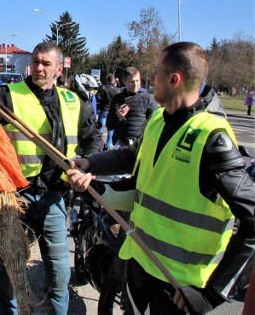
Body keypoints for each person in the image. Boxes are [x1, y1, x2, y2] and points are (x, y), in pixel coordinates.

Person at [67, 42, 255, 314]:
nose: (151, 78)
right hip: (139, 265)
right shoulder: (157, 120)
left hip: (180, 286)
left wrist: (213, 293)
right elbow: (134, 165)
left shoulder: (211, 137)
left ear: (174, 79)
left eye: (156, 72)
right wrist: (89, 169)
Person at [0, 42, 103, 314]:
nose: (38, 67)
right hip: (16, 197)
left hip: (54, 198)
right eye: (36, 62)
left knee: (60, 274)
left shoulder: (74, 101)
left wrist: (86, 165)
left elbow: (92, 138)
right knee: (9, 273)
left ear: (59, 69)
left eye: (46, 64)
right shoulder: (7, 95)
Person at [106, 66, 158, 147]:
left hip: (140, 143)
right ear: (124, 81)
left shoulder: (146, 98)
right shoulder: (117, 98)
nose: (135, 84)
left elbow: (155, 120)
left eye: (137, 81)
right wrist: (118, 116)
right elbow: (109, 125)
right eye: (131, 82)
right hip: (121, 143)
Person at [95, 73, 119, 149]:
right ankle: (108, 144)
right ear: (113, 79)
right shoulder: (116, 90)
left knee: (100, 127)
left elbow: (97, 98)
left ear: (107, 79)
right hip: (112, 110)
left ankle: (99, 144)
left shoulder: (103, 87)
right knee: (110, 128)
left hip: (103, 109)